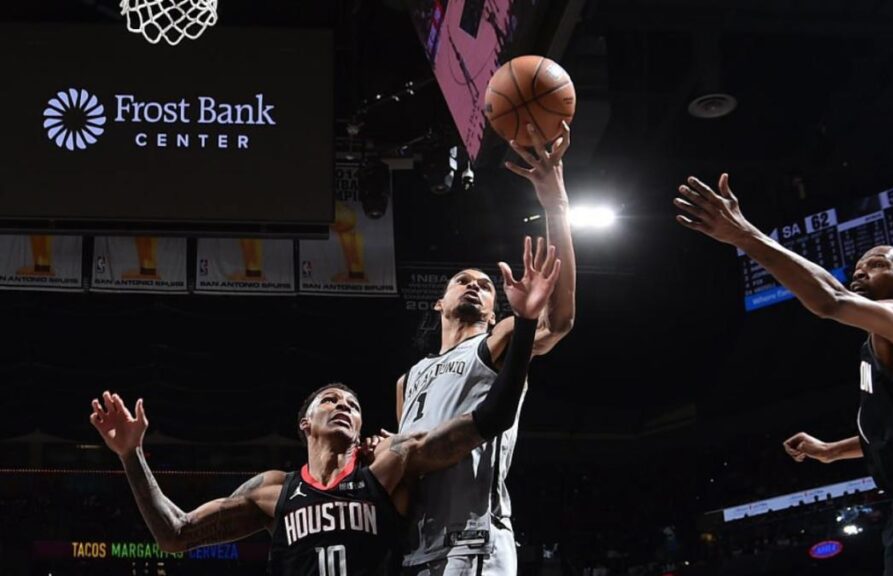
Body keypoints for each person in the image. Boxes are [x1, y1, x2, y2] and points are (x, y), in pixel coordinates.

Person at [89, 236, 562, 576]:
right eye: (330, 400)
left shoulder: (390, 469)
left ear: (364, 429)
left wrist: (522, 326)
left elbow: (492, 419)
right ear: (304, 423)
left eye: (353, 404)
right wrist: (131, 456)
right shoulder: (274, 492)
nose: (343, 405)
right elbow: (175, 534)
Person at [673, 173, 893, 575]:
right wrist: (831, 450)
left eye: (874, 264)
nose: (860, 271)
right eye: (857, 266)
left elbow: (831, 300)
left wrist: (745, 235)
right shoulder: (872, 349)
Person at [394, 123, 577, 575]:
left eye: (485, 286)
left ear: (497, 312)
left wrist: (555, 205)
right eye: (463, 282)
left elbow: (559, 323)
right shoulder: (408, 379)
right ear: (439, 302)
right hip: (418, 543)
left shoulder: (495, 343)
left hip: (474, 538)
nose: (475, 287)